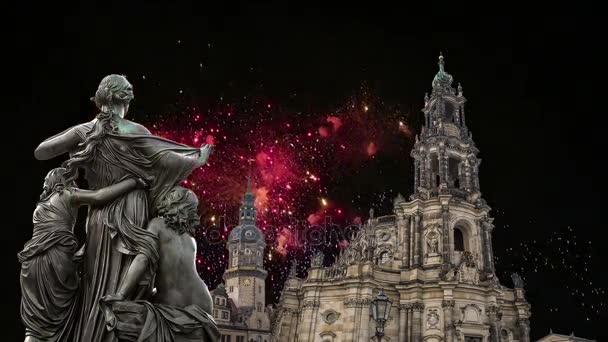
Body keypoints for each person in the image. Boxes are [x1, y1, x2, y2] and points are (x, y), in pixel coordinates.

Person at [34, 74, 214, 342]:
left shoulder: (86, 131)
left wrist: (82, 133)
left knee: (97, 283)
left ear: (100, 100)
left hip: (100, 214)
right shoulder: (138, 132)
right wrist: (196, 155)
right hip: (134, 210)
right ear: (126, 101)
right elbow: (169, 160)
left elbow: (42, 151)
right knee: (132, 284)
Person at [19, 167, 147, 342]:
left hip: (31, 265)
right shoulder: (67, 194)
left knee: (37, 326)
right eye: (72, 179)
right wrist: (133, 182)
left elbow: (50, 234)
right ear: (63, 181)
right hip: (55, 262)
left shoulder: (41, 206)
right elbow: (99, 196)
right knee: (56, 320)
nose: (76, 182)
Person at [99, 187, 219, 342]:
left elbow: (143, 259)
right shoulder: (191, 239)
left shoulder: (157, 224)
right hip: (204, 304)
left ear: (173, 203)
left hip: (173, 303)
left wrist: (121, 294)